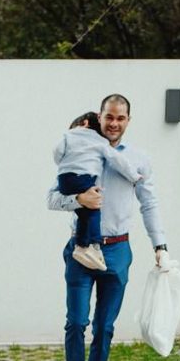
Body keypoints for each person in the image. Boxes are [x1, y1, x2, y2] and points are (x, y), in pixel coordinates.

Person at [48, 94, 169, 361]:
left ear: (128, 120)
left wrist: (160, 245)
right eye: (109, 117)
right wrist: (78, 201)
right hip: (80, 250)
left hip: (117, 250)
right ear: (99, 118)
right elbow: (52, 199)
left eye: (120, 118)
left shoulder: (138, 159)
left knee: (104, 327)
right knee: (76, 321)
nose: (114, 123)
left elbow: (149, 204)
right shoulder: (80, 150)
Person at [54, 111, 142, 272]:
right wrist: (134, 176)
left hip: (65, 178)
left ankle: (83, 246)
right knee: (93, 211)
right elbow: (118, 160)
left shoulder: (68, 137)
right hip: (84, 178)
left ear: (84, 123)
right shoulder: (100, 142)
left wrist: (65, 163)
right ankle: (92, 245)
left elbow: (57, 152)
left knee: (84, 213)